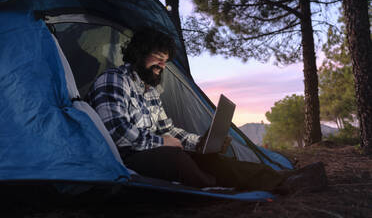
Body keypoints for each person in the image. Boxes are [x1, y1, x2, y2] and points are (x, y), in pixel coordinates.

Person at [86, 27, 327, 193]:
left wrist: (199, 142)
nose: (162, 65)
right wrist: (163, 142)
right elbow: (117, 134)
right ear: (139, 54)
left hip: (156, 152)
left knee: (207, 157)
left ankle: (285, 180)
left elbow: (169, 131)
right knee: (177, 157)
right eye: (157, 58)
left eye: (165, 61)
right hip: (124, 160)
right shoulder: (114, 81)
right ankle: (216, 188)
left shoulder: (149, 91)